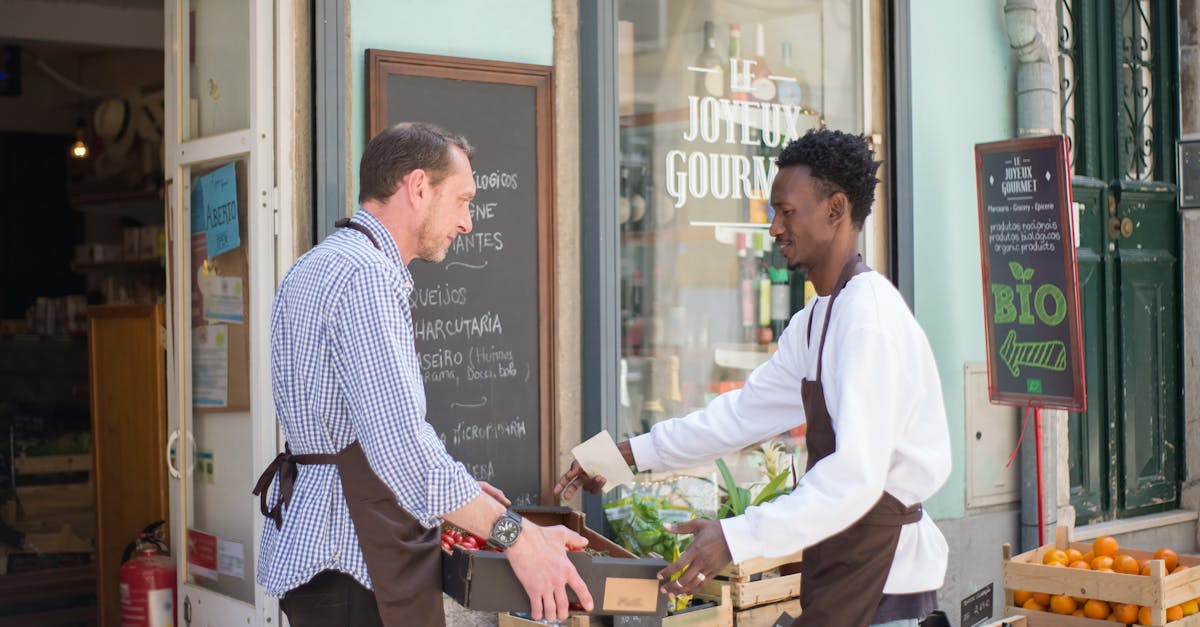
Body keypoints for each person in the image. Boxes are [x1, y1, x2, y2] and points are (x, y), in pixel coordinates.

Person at [556, 129, 952, 627]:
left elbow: (856, 476)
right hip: (845, 561)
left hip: (890, 581)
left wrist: (735, 536)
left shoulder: (868, 319)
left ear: (835, 210)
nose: (774, 229)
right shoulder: (817, 319)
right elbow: (741, 416)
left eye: (787, 212)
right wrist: (629, 455)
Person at [254, 122, 593, 626]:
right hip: (352, 555)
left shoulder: (315, 264)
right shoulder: (367, 276)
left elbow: (370, 440)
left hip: (324, 546)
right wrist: (517, 537)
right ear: (417, 188)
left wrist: (466, 497)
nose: (468, 222)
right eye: (462, 200)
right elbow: (402, 450)